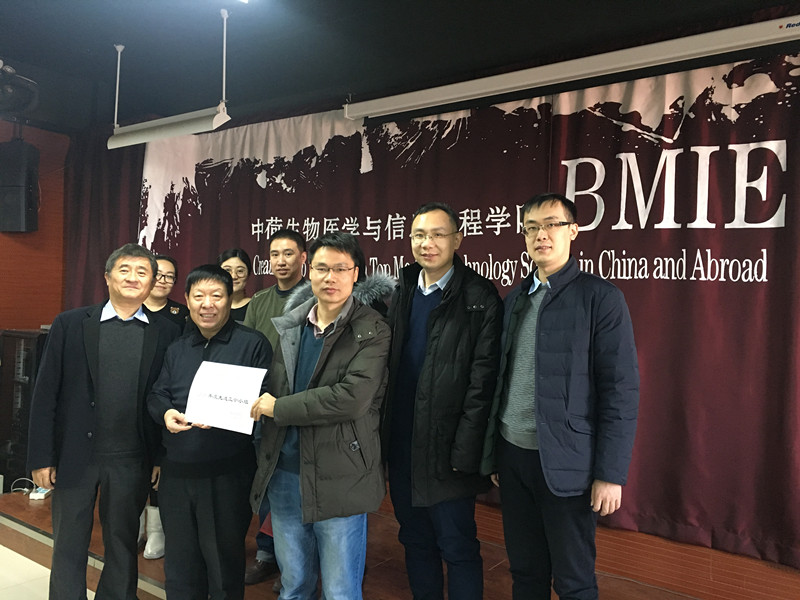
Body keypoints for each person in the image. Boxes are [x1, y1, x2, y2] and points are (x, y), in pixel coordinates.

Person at [481, 192, 640, 600]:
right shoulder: (515, 299)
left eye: (552, 224)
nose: (541, 235)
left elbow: (620, 390)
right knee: (526, 572)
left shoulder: (600, 298)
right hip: (513, 458)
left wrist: (610, 474)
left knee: (574, 581)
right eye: (531, 228)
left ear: (573, 231)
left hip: (569, 465)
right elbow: (501, 381)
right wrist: (496, 454)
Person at [27, 243, 180, 600]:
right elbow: (45, 392)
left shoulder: (167, 332)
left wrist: (160, 456)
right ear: (107, 277)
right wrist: (41, 457)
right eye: (125, 269)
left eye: (142, 272)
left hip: (132, 457)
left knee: (122, 543)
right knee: (69, 541)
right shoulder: (70, 323)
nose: (133, 278)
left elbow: (167, 398)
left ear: (152, 282)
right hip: (75, 455)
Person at [250, 232, 391, 600]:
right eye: (322, 268)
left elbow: (350, 399)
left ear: (356, 273)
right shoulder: (291, 325)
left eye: (340, 269)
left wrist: (278, 408)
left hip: (339, 475)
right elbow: (273, 384)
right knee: (294, 584)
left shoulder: (372, 330)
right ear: (308, 270)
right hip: (285, 472)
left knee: (340, 589)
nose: (330, 277)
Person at [382, 202, 503, 600]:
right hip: (402, 444)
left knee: (458, 545)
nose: (427, 243)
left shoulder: (479, 297)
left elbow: (483, 384)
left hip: (449, 448)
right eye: (419, 235)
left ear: (457, 239)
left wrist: (465, 452)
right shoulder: (402, 290)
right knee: (415, 540)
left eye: (437, 234)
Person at [148, 264, 272, 600]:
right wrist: (166, 413)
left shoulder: (252, 344)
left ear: (230, 299)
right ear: (187, 299)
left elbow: (265, 398)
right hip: (177, 475)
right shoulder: (177, 347)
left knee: (223, 564)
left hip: (227, 476)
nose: (208, 304)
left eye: (216, 295)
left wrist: (232, 412)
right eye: (199, 296)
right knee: (180, 564)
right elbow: (157, 394)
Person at [242, 229, 308, 587]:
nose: (280, 261)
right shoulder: (260, 301)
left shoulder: (316, 296)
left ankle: (298, 563)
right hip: (262, 406)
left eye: (288, 253)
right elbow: (248, 350)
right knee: (266, 482)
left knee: (296, 488)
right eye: (274, 254)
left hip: (299, 408)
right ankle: (268, 554)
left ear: (303, 258)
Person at [140, 253, 187, 560]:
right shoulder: (132, 310)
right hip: (133, 399)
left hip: (167, 398)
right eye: (159, 274)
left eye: (170, 276)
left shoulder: (182, 316)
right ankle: (137, 523)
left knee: (160, 465)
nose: (163, 280)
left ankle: (157, 529)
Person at [144, 254, 189, 328]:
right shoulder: (132, 308)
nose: (162, 281)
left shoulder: (183, 313)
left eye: (169, 276)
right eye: (157, 274)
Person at [219, 248, 252, 322]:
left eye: (240, 271)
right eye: (227, 270)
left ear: (248, 274)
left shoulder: (256, 307)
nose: (233, 276)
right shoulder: (211, 306)